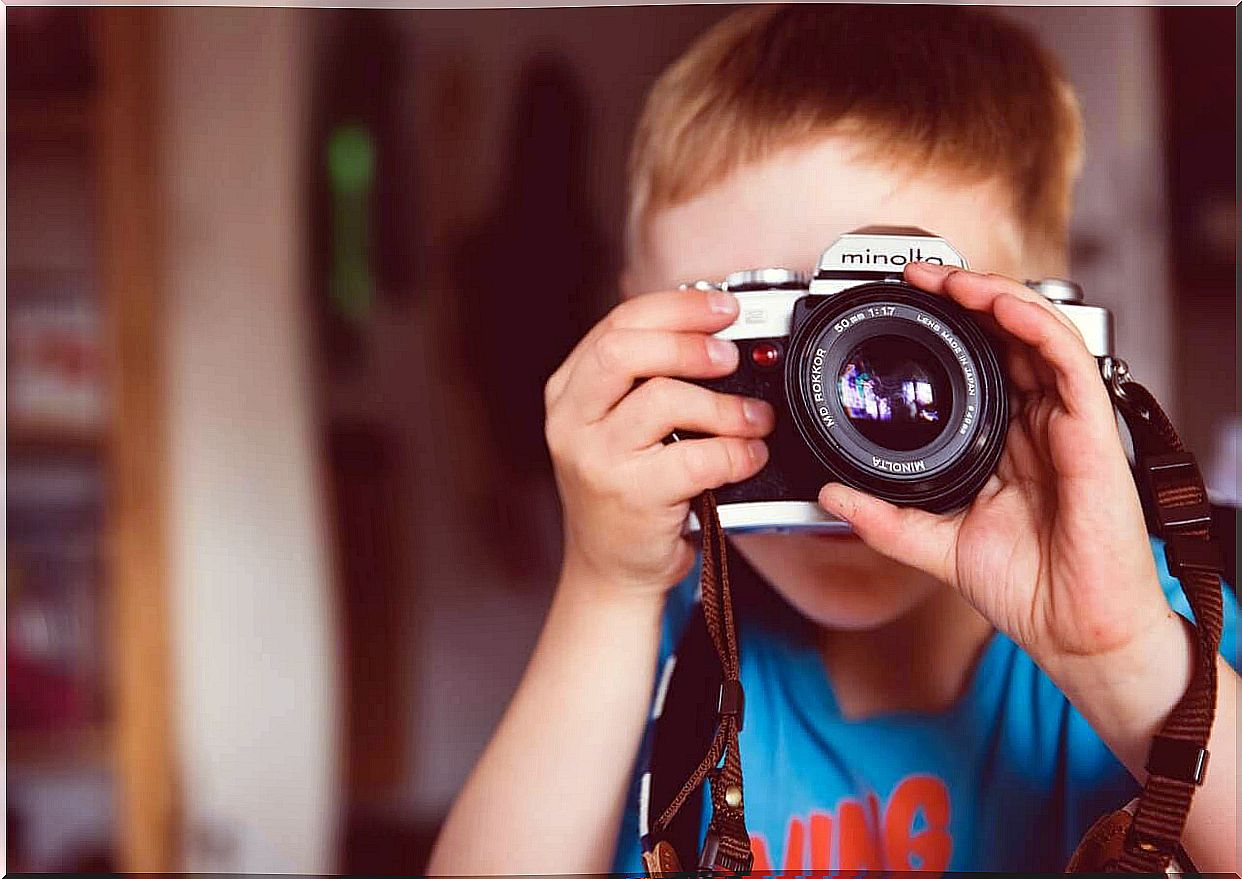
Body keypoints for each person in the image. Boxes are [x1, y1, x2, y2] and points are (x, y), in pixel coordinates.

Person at [427, 5, 1239, 873]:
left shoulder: (1153, 623)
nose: (843, 433)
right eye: (773, 356)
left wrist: (1127, 664)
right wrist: (606, 585)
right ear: (639, 332)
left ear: (1039, 336)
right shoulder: (656, 648)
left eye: (908, 347)